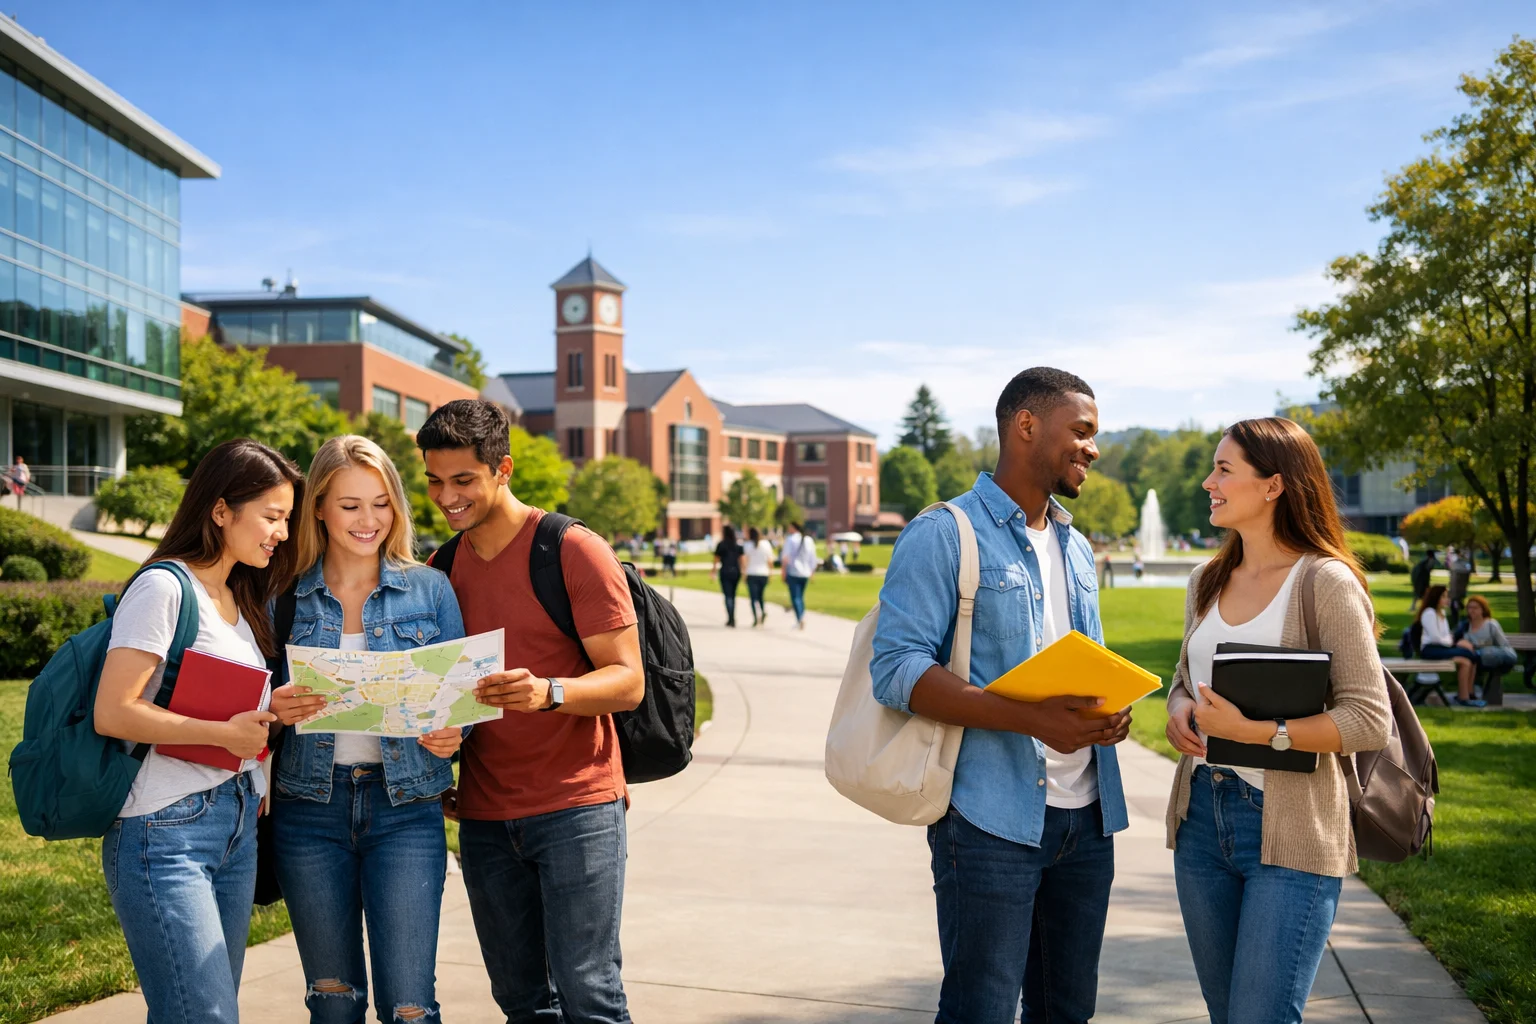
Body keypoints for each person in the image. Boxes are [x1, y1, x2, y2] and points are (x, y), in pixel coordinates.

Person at [871, 367, 1133, 1024]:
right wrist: (1029, 720)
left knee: (1067, 1012)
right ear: (1025, 426)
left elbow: (1083, 664)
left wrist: (1107, 712)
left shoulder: (1075, 546)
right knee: (980, 1012)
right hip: (987, 824)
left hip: (1088, 820)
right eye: (1081, 431)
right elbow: (897, 671)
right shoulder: (943, 533)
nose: (1092, 449)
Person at [418, 400, 644, 1024]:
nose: (447, 497)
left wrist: (551, 691)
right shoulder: (441, 569)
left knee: (588, 992)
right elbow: (442, 690)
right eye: (435, 481)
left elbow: (628, 683)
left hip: (578, 807)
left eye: (463, 480)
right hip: (486, 817)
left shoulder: (571, 550)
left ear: (503, 468)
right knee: (520, 1001)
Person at [1163, 417, 1392, 1024]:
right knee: (1225, 1014)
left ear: (1273, 486)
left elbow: (1369, 719)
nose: (1208, 481)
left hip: (1290, 831)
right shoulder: (1205, 580)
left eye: (1224, 469)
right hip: (1201, 824)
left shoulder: (1325, 581)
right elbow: (1186, 679)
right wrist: (1179, 707)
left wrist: (1259, 735)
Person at [92, 439, 302, 1024]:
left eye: (285, 520)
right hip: (165, 829)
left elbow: (224, 710)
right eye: (272, 517)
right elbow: (113, 711)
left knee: (209, 1008)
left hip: (235, 825)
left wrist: (272, 710)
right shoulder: (163, 587)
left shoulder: (240, 598)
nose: (281, 534)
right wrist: (221, 734)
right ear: (219, 511)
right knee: (203, 1014)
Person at [265, 435, 466, 1023]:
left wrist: (454, 735)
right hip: (309, 810)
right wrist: (275, 706)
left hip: (406, 811)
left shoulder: (430, 589)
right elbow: (255, 695)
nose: (368, 520)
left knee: (410, 1007)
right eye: (350, 505)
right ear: (320, 507)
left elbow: (459, 700)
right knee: (333, 1001)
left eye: (381, 503)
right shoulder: (283, 592)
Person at [1417, 583, 1483, 706]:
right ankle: (1465, 698)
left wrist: (1451, 641)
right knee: (1468, 653)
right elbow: (1435, 638)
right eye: (1444, 596)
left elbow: (1446, 636)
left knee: (1467, 661)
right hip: (1430, 650)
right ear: (1436, 597)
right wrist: (1454, 642)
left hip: (1442, 648)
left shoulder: (1442, 613)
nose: (1447, 599)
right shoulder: (1429, 613)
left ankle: (1467, 695)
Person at [1458, 594, 1519, 679]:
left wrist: (1475, 644)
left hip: (1494, 656)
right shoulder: (1465, 625)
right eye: (1469, 607)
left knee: (1481, 656)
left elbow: (1501, 644)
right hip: (1472, 657)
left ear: (1483, 609)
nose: (1472, 610)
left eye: (1475, 608)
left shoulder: (1491, 624)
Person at [780, 521, 817, 630]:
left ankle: (800, 618)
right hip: (805, 573)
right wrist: (812, 572)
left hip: (793, 572)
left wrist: (783, 571)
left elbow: (785, 558)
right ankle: (801, 616)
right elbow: (813, 558)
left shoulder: (790, 540)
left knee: (795, 597)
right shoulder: (809, 540)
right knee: (800, 597)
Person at [712, 525, 745, 627]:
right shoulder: (738, 545)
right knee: (733, 595)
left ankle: (731, 618)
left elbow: (716, 560)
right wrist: (743, 572)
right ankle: (732, 617)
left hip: (725, 571)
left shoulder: (721, 545)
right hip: (736, 571)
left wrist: (713, 571)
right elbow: (742, 560)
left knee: (728, 596)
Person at [743, 527, 774, 626]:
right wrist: (770, 572)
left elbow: (745, 561)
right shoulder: (766, 544)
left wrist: (744, 574)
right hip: (763, 573)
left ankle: (756, 618)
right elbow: (770, 561)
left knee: (753, 598)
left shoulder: (747, 545)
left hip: (751, 573)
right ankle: (763, 611)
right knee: (761, 596)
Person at [1409, 548, 1437, 612]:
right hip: (1421, 580)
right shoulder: (1428, 561)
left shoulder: (1424, 561)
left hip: (1420, 579)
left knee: (1419, 594)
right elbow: (1427, 570)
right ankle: (1419, 607)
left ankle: (1417, 607)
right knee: (1421, 593)